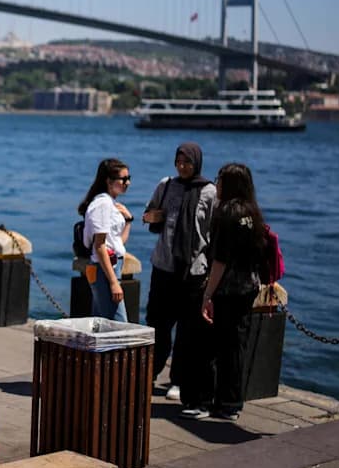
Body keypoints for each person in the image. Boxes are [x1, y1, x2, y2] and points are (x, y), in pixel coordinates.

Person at [181, 163, 268, 422]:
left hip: (226, 289)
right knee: (234, 346)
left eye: (219, 179)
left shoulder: (226, 213)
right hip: (248, 287)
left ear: (228, 183)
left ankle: (203, 401)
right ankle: (230, 403)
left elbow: (220, 260)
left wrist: (208, 295)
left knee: (205, 346)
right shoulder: (252, 212)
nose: (216, 184)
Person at [141, 143, 216, 402]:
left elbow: (211, 233)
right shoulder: (166, 185)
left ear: (197, 163)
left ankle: (179, 380)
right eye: (179, 161)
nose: (183, 167)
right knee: (157, 323)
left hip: (193, 270)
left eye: (188, 162)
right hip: (163, 266)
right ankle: (150, 372)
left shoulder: (209, 192)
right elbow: (148, 214)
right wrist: (153, 216)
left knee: (187, 329)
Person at [78, 158, 133, 322]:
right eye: (123, 179)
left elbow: (117, 242)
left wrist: (128, 221)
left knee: (103, 325)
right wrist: (114, 282)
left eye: (129, 178)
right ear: (109, 181)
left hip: (109, 268)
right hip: (105, 270)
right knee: (118, 326)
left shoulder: (111, 203)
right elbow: (100, 246)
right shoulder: (103, 204)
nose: (127, 182)